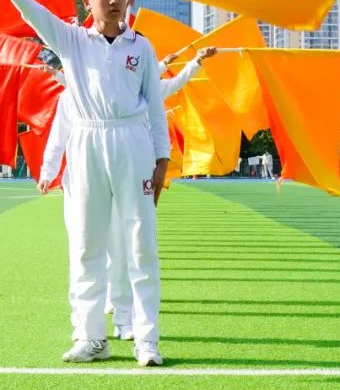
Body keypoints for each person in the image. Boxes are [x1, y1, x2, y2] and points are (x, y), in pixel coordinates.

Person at [0, 0, 169, 367]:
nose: (116, 0)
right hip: (86, 143)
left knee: (141, 244)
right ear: (88, 2)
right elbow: (32, 12)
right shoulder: (71, 41)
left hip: (131, 142)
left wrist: (161, 160)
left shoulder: (142, 47)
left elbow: (155, 107)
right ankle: (91, 337)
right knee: (86, 244)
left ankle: (147, 340)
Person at [41, 46, 217, 343]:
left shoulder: (134, 93)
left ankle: (124, 317)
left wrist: (194, 62)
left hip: (126, 171)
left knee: (123, 247)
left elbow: (161, 82)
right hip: (84, 180)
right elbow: (58, 138)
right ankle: (86, 330)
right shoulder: (71, 97)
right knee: (84, 249)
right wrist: (48, 171)